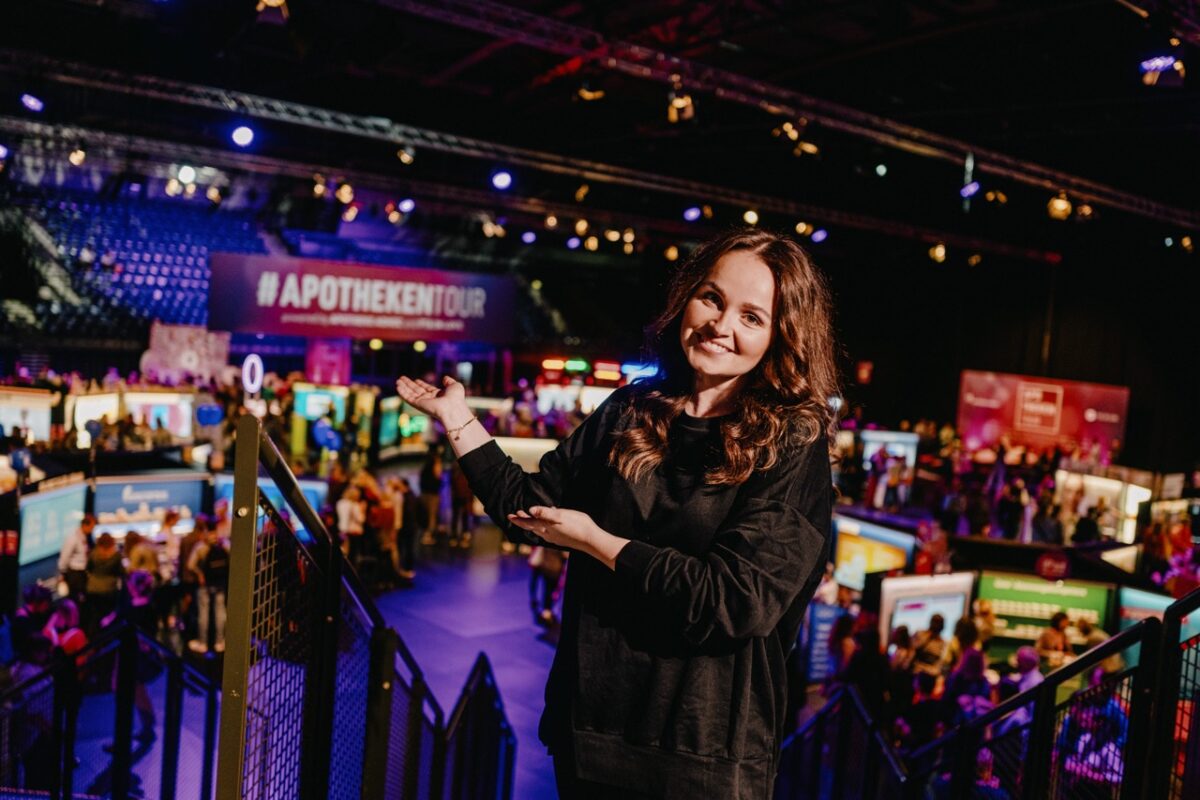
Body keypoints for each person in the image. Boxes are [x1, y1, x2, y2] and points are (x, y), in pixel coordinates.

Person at [397, 228, 839, 798]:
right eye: (712, 298)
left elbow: (734, 603)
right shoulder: (632, 407)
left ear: (783, 333)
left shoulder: (793, 440)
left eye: (752, 317)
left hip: (697, 758)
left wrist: (598, 543)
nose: (720, 325)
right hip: (591, 733)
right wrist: (458, 421)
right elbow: (526, 508)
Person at [58, 513, 95, 602]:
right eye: (92, 526)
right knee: (74, 599)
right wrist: (63, 572)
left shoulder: (85, 537)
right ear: (85, 525)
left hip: (82, 573)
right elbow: (65, 556)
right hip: (74, 574)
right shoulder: (73, 538)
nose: (92, 529)